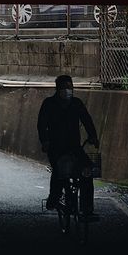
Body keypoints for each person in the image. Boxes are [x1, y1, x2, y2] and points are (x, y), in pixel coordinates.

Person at [37, 74, 100, 220]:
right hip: (55, 148)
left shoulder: (76, 103)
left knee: (87, 171)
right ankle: (54, 197)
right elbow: (42, 125)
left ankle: (87, 210)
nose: (68, 90)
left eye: (70, 87)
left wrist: (93, 136)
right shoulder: (49, 104)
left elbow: (87, 120)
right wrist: (45, 141)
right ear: (58, 89)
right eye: (65, 87)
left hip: (74, 147)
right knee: (60, 172)